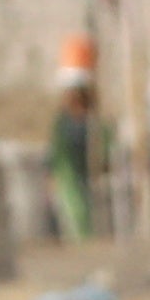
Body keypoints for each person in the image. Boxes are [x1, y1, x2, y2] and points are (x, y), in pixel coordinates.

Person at [42, 32, 102, 243]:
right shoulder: (65, 124)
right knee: (77, 220)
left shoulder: (89, 123)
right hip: (70, 183)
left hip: (82, 181)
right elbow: (54, 157)